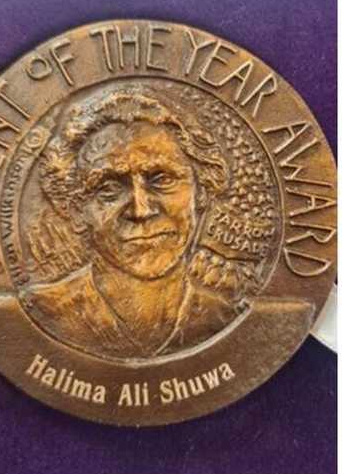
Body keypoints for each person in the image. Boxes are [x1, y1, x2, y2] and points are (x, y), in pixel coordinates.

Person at [23, 89, 240, 359]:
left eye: (162, 180)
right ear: (76, 211)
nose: (141, 210)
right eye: (109, 189)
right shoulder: (38, 311)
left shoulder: (226, 316)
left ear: (203, 193)